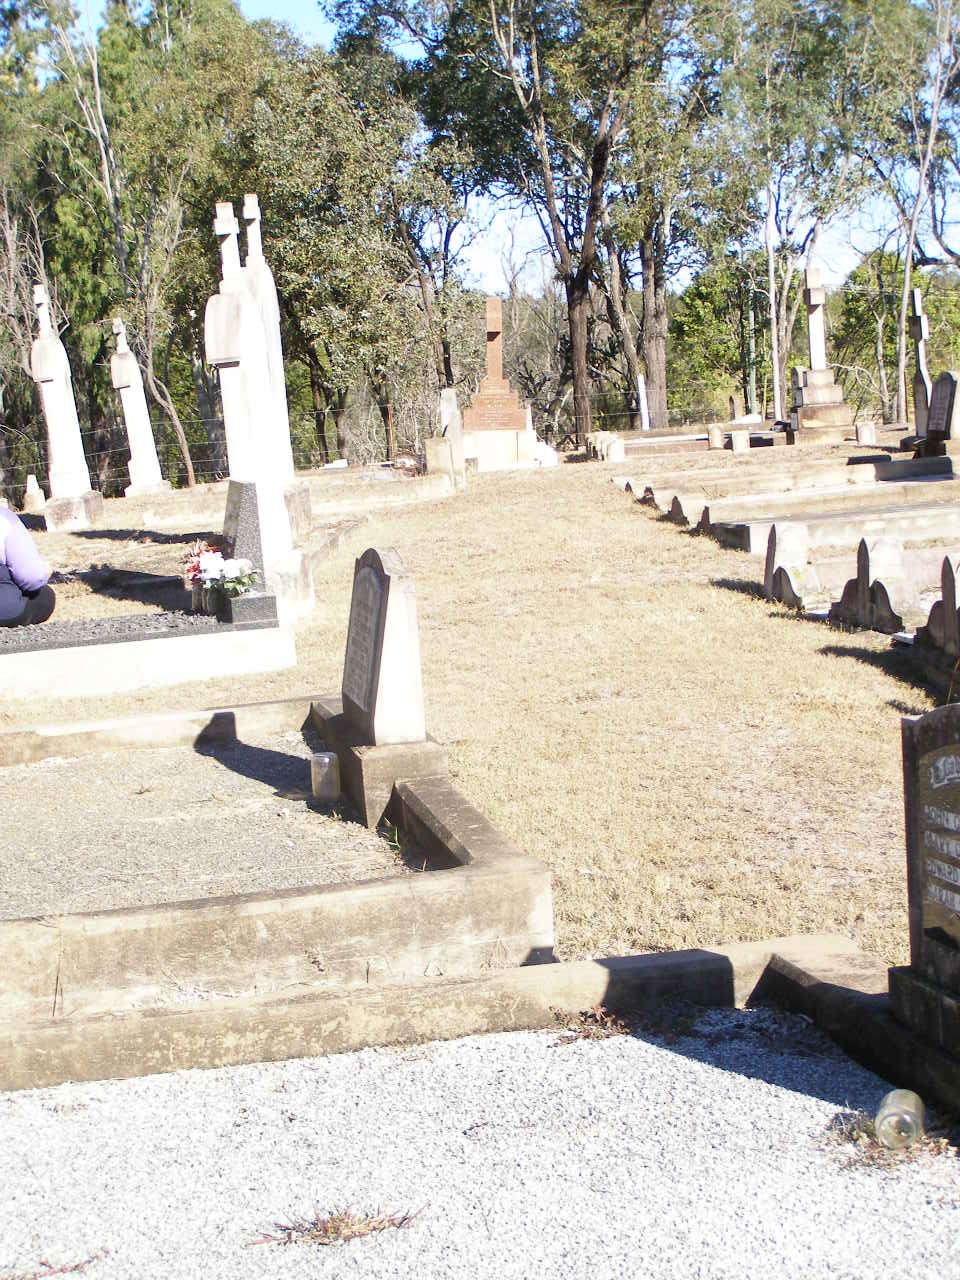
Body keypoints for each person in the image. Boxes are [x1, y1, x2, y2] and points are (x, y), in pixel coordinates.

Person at [0, 505, 55, 627]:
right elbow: (31, 578)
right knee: (45, 595)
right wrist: (44, 573)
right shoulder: (4, 518)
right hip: (5, 609)